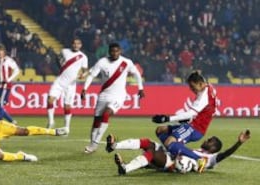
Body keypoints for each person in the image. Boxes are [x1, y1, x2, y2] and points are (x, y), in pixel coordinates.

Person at [81, 43, 145, 153]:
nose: (115, 53)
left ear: (120, 51)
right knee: (97, 120)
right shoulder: (102, 62)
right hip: (104, 95)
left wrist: (140, 88)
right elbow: (91, 76)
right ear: (109, 52)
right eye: (112, 51)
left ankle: (94, 144)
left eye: (117, 51)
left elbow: (137, 74)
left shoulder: (126, 62)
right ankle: (93, 144)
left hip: (119, 96)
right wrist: (85, 89)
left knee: (106, 114)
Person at [151, 71, 217, 172]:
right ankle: (174, 152)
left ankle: (200, 159)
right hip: (192, 124)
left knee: (169, 142)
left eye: (192, 86)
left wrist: (167, 118)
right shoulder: (208, 87)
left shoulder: (203, 96)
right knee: (160, 130)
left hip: (195, 128)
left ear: (200, 84)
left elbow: (191, 113)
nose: (191, 89)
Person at [106, 129, 250, 175]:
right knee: (148, 142)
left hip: (173, 164)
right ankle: (114, 146)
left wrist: (239, 143)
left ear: (214, 147)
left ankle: (125, 168)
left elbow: (226, 154)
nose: (206, 140)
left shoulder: (211, 158)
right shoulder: (198, 150)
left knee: (152, 152)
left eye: (210, 141)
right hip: (171, 156)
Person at [46, 38, 88, 132]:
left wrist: (83, 75)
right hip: (60, 80)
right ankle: (51, 121)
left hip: (71, 84)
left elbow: (85, 70)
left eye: (78, 43)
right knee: (50, 99)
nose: (76, 45)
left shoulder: (83, 57)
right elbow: (58, 59)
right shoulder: (64, 51)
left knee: (67, 106)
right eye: (74, 43)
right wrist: (60, 66)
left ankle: (66, 127)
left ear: (80, 45)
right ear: (71, 44)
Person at [0, 45, 20, 124]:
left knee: (0, 104)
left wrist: (9, 79)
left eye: (1, 51)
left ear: (4, 51)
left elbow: (17, 70)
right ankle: (11, 121)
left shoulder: (8, 60)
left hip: (5, 86)